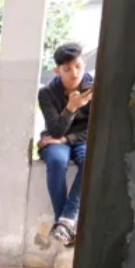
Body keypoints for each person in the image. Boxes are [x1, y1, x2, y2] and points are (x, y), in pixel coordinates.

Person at [37, 42, 92, 246]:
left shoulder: (96, 89)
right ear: (57, 71)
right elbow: (56, 130)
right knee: (57, 161)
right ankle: (66, 226)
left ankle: (66, 221)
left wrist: (68, 139)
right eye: (67, 69)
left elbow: (99, 127)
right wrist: (70, 108)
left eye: (78, 66)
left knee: (91, 160)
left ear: (84, 63)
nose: (74, 73)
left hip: (83, 139)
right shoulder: (47, 93)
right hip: (55, 138)